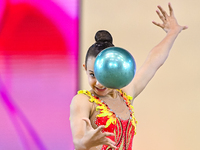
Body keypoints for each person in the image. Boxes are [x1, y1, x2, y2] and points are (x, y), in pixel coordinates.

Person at [70, 3, 187, 150]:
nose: (99, 83)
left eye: (104, 75)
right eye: (93, 75)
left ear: (116, 70)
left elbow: (153, 62)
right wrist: (85, 142)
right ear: (85, 69)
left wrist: (172, 33)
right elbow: (78, 140)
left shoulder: (124, 95)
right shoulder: (84, 101)